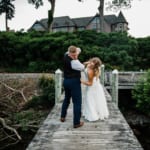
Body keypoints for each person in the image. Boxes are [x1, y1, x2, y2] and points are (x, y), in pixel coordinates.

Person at [60, 45, 84, 128]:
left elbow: (79, 49)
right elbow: (82, 67)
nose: (74, 56)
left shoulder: (65, 54)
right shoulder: (75, 62)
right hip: (74, 82)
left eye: (75, 54)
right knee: (77, 102)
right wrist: (76, 58)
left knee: (66, 99)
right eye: (72, 55)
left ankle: (62, 116)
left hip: (66, 81)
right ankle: (76, 123)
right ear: (69, 53)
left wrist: (76, 53)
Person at [81, 57, 109, 121]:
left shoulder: (91, 71)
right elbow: (84, 63)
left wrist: (81, 81)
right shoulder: (89, 64)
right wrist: (89, 62)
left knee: (90, 99)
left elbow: (90, 83)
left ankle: (93, 115)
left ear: (95, 65)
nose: (91, 63)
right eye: (92, 61)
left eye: (94, 63)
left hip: (92, 86)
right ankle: (95, 112)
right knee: (94, 99)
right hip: (95, 84)